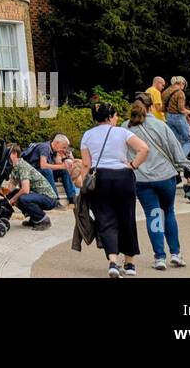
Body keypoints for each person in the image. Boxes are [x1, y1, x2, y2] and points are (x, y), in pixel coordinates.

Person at [78, 101, 150, 277]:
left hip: (100, 178)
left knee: (105, 219)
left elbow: (86, 164)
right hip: (122, 177)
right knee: (127, 218)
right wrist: (132, 165)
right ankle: (130, 264)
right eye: (116, 115)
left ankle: (113, 261)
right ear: (110, 117)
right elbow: (144, 149)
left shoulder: (87, 135)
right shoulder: (123, 132)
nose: (117, 118)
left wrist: (81, 183)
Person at [127, 93, 190, 270]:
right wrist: (187, 168)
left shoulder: (126, 128)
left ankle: (159, 257)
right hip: (165, 176)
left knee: (154, 215)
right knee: (169, 213)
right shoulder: (160, 125)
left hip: (141, 179)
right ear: (151, 107)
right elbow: (176, 149)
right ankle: (176, 253)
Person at [3, 144, 57, 228]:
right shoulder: (15, 167)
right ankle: (34, 218)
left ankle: (43, 220)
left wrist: (13, 199)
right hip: (37, 195)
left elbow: (25, 190)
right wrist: (5, 195)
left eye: (7, 153)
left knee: (23, 198)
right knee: (11, 194)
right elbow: (12, 184)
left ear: (14, 154)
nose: (5, 156)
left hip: (49, 198)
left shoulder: (22, 166)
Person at [24, 134, 77, 205]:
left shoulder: (54, 150)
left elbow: (56, 165)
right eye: (63, 147)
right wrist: (62, 166)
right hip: (32, 173)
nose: (64, 149)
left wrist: (64, 159)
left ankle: (72, 198)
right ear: (57, 143)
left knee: (64, 171)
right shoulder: (45, 147)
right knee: (48, 170)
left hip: (42, 173)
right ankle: (54, 199)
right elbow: (43, 165)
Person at [161, 76, 190, 156]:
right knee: (189, 141)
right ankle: (181, 160)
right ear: (181, 83)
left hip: (168, 117)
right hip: (179, 118)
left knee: (176, 141)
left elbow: (163, 108)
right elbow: (181, 109)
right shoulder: (180, 93)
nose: (184, 87)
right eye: (184, 84)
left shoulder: (165, 92)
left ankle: (174, 160)